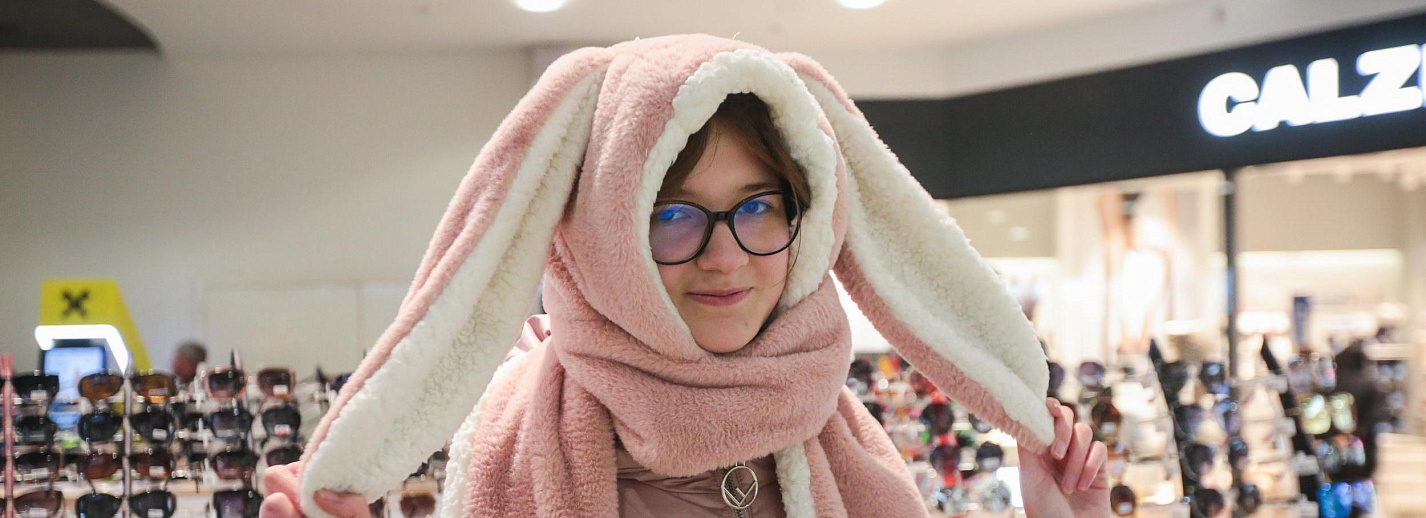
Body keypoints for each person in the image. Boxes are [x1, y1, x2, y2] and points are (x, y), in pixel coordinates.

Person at [259, 35, 1108, 518]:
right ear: (603, 238)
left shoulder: (844, 444)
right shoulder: (515, 442)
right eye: (671, 215)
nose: (725, 254)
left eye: (760, 206)